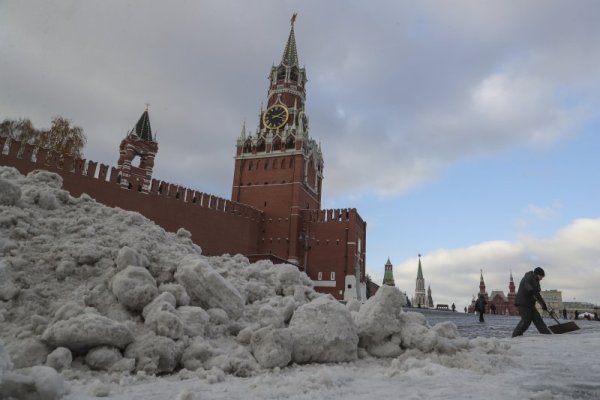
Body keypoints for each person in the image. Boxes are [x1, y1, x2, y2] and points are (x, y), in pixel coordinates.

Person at [512, 267, 551, 337]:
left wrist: (543, 304)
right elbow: (526, 283)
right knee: (526, 320)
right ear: (537, 274)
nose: (541, 278)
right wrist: (530, 289)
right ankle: (515, 336)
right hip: (523, 302)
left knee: (538, 319)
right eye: (541, 276)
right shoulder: (528, 277)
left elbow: (537, 294)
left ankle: (547, 335)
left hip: (530, 304)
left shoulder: (536, 282)